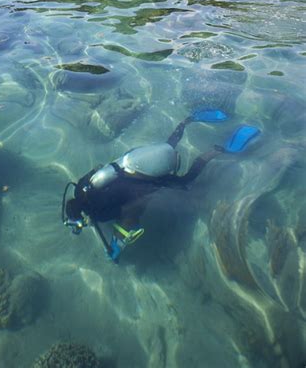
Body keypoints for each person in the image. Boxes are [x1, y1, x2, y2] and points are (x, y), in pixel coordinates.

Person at [61, 110, 261, 263]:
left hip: (149, 173)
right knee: (168, 145)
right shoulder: (81, 187)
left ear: (86, 215)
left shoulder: (101, 213)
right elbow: (97, 168)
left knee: (186, 182)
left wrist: (118, 244)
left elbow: (133, 211)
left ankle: (218, 150)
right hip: (134, 159)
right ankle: (188, 120)